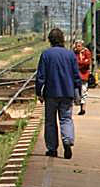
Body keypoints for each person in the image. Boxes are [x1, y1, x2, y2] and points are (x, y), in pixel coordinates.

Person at [35, 27, 81, 159]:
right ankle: (67, 141)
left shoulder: (46, 54)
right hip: (67, 92)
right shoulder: (70, 55)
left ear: (50, 40)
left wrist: (39, 92)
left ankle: (52, 149)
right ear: (62, 39)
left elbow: (40, 76)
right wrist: (77, 89)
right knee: (66, 119)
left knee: (50, 121)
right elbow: (76, 75)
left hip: (51, 93)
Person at [73, 39, 91, 115]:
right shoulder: (74, 53)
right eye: (76, 46)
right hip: (76, 75)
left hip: (84, 75)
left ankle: (82, 109)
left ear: (82, 46)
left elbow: (87, 63)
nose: (77, 47)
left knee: (84, 92)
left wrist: (79, 64)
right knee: (76, 92)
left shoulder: (86, 52)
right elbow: (73, 63)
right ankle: (77, 103)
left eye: (79, 46)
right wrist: (81, 63)